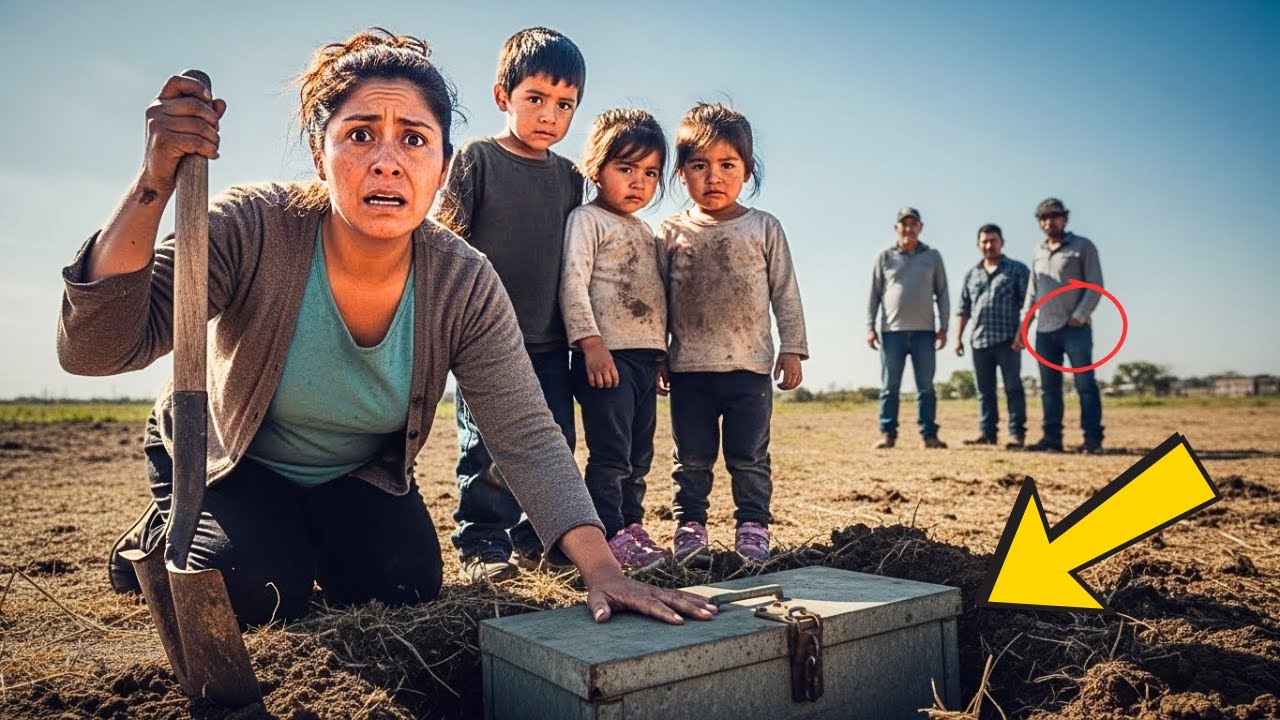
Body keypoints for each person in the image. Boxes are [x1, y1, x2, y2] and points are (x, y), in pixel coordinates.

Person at [61, 28, 716, 629]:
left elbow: (523, 429)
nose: (387, 161)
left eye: (414, 139)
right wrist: (154, 180)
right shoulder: (252, 227)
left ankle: (298, 534)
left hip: (351, 473)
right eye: (359, 135)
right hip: (233, 458)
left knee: (403, 585)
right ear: (320, 154)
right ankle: (160, 529)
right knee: (255, 589)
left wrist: (603, 571)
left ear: (442, 166)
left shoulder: (462, 279)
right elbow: (96, 349)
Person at [436, 27, 586, 582]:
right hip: (483, 341)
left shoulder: (570, 178)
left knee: (556, 440)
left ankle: (536, 538)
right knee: (488, 448)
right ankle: (481, 544)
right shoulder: (477, 159)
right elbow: (446, 239)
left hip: (549, 339)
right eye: (536, 98)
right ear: (503, 96)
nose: (550, 115)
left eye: (565, 104)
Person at [656, 103, 808, 566]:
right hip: (690, 370)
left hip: (750, 368)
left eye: (727, 165)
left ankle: (753, 527)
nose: (713, 177)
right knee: (691, 458)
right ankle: (690, 528)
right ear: (681, 173)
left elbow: (785, 291)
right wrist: (658, 354)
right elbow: (657, 299)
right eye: (699, 166)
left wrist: (793, 348)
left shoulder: (763, 228)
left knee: (750, 457)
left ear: (747, 170)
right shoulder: (671, 232)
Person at [560, 109, 670, 573]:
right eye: (626, 168)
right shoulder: (588, 220)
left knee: (639, 454)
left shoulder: (645, 231)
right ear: (596, 168)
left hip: (645, 359)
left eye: (651, 173)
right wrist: (590, 343)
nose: (638, 182)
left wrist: (662, 355)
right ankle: (609, 533)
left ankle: (632, 525)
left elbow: (656, 296)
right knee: (611, 454)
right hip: (607, 359)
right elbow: (573, 282)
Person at [1014, 197, 1106, 454]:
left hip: (1075, 329)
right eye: (1043, 217)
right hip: (1045, 331)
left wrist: (1080, 315)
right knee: (1049, 389)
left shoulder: (1082, 246)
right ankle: (1051, 438)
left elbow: (1095, 285)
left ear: (1065, 218)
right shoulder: (1038, 252)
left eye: (1054, 216)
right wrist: (1024, 327)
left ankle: (1092, 439)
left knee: (1085, 384)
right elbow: (1032, 293)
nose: (1049, 221)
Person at [866, 207, 950, 450]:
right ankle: (888, 434)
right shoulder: (885, 257)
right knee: (890, 387)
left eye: (913, 224)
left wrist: (944, 326)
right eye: (904, 224)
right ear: (897, 228)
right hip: (892, 333)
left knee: (926, 387)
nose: (909, 229)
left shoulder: (932, 256)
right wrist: (870, 326)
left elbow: (942, 293)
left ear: (920, 227)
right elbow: (874, 294)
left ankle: (929, 435)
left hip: (925, 332)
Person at [954, 224, 1030, 448]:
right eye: (985, 241)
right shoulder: (972, 274)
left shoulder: (1016, 270)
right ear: (978, 245)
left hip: (1009, 340)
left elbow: (1028, 306)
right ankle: (988, 433)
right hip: (980, 341)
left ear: (1002, 242)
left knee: (1013, 388)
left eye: (993, 240)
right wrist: (958, 338)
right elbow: (963, 308)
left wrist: (1022, 334)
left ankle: (1016, 434)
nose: (989, 245)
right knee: (984, 391)